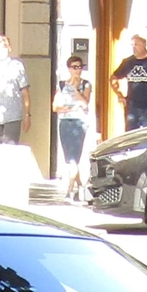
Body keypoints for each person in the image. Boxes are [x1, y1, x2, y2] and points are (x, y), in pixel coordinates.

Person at [53, 52, 94, 198]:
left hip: (79, 122)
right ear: (69, 68)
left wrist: (75, 89)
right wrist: (68, 108)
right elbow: (55, 107)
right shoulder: (62, 84)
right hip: (65, 122)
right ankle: (81, 186)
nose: (78, 70)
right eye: (75, 67)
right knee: (68, 158)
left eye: (80, 67)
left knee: (74, 157)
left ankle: (70, 190)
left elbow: (85, 102)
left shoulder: (86, 84)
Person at [112, 33, 147, 131]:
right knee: (131, 137)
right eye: (132, 45)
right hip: (132, 107)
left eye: (136, 45)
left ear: (144, 44)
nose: (134, 48)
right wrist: (119, 95)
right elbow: (113, 78)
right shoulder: (128, 62)